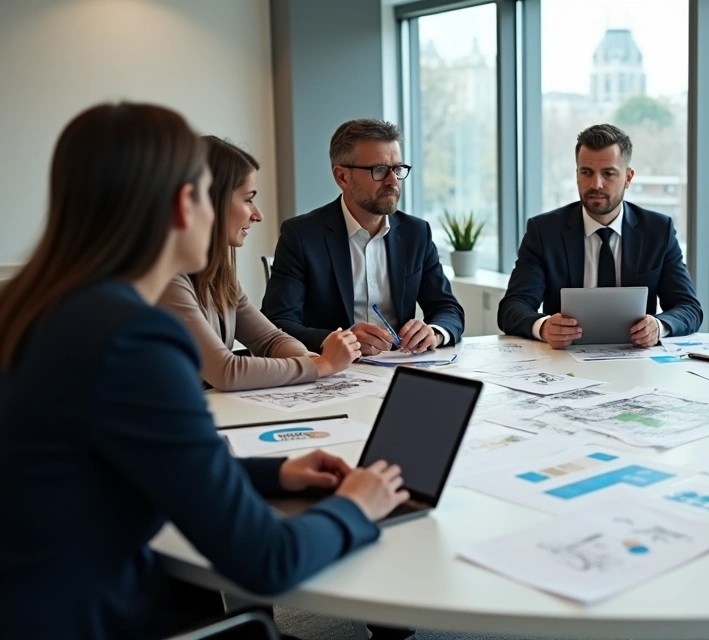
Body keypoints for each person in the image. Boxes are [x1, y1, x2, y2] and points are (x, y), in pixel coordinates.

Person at [0, 102, 410, 639]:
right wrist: (357, 507)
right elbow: (266, 560)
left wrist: (274, 473)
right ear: (183, 204)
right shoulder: (134, 337)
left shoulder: (34, 307)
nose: (248, 214)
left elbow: (124, 460)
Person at [159, 136, 360, 391]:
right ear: (209, 201)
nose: (258, 214)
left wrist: (311, 360)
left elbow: (269, 339)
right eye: (247, 199)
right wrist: (322, 366)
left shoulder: (219, 274)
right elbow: (225, 371)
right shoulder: (165, 277)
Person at [262, 119, 464, 356]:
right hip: (331, 371)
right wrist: (339, 340)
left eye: (397, 169)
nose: (393, 181)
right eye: (378, 170)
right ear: (342, 177)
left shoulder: (416, 233)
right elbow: (277, 322)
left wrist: (434, 331)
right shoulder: (302, 235)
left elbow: (448, 308)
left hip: (400, 367)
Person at [498, 124, 703, 348]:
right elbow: (512, 308)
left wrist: (659, 326)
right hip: (562, 363)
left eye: (608, 173)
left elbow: (689, 308)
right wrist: (543, 326)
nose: (596, 184)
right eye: (586, 172)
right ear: (577, 175)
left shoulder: (658, 230)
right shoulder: (544, 231)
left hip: (638, 361)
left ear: (628, 177)